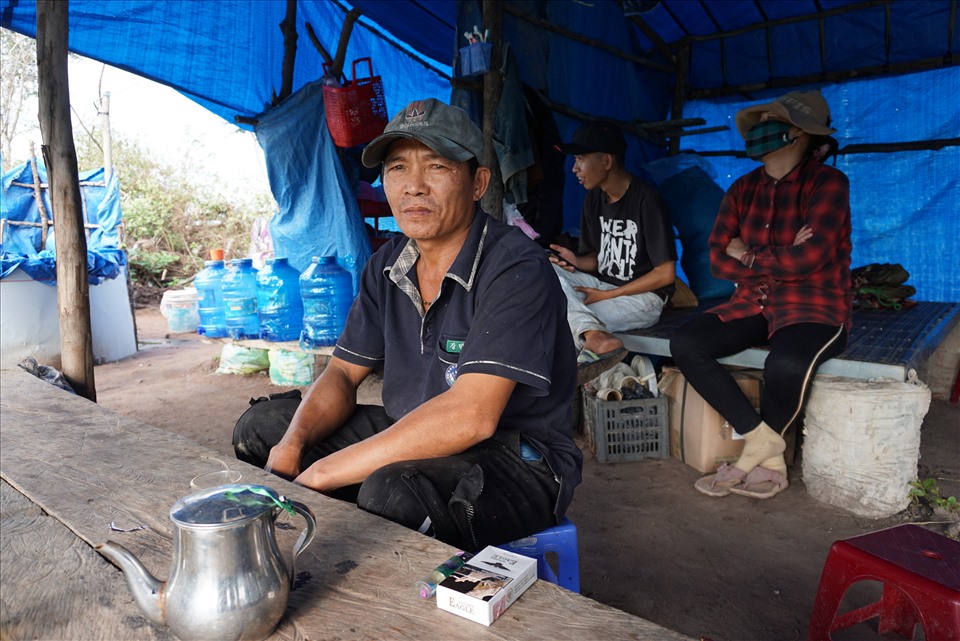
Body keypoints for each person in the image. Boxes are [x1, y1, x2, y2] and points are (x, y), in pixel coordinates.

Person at [232, 98, 582, 551]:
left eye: (436, 166)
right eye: (397, 168)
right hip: (412, 432)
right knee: (263, 427)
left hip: (516, 457)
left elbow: (471, 417)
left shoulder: (516, 267)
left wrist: (323, 471)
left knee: (392, 490)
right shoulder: (387, 264)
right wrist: (294, 445)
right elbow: (341, 372)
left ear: (478, 183)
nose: (413, 187)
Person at [669, 90, 851, 500]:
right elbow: (718, 260)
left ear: (798, 131)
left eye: (772, 118)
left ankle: (762, 462)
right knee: (686, 342)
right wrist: (781, 256)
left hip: (815, 304)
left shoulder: (829, 183)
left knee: (784, 363)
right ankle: (761, 440)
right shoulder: (742, 189)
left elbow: (812, 258)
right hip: (754, 301)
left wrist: (748, 254)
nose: (760, 125)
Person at [547, 122, 677, 382]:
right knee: (542, 270)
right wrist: (576, 262)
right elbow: (599, 260)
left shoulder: (646, 200)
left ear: (606, 161)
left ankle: (604, 366)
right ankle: (595, 338)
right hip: (603, 286)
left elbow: (666, 274)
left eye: (581, 159)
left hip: (643, 298)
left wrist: (611, 293)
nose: (574, 168)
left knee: (555, 318)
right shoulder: (593, 198)